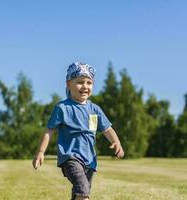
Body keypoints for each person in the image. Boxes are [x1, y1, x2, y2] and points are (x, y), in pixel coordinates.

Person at [32, 62, 124, 200]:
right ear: (69, 84)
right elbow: (49, 130)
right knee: (83, 191)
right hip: (70, 157)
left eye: (89, 82)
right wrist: (40, 152)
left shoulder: (95, 110)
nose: (85, 86)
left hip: (90, 161)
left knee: (80, 193)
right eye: (80, 82)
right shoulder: (62, 108)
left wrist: (116, 142)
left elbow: (107, 129)